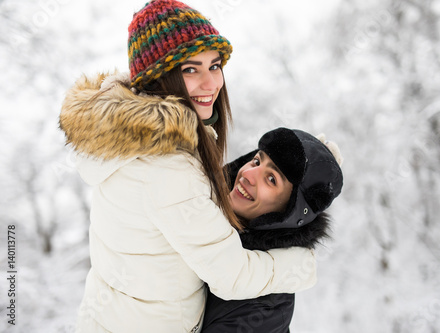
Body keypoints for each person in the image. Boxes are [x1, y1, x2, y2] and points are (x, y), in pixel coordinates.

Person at [59, 1, 316, 332]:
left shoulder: (129, 144)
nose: (210, 84)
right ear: (159, 79)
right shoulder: (166, 167)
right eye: (190, 69)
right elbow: (231, 276)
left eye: (215, 65)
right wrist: (301, 265)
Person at [202, 127, 344, 333]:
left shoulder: (265, 308)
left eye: (271, 179)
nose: (248, 174)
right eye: (257, 161)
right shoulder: (195, 219)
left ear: (289, 213)